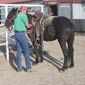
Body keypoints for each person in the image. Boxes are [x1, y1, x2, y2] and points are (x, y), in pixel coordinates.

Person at [14, 6, 33, 72]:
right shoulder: (24, 15)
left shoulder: (17, 15)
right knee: (26, 50)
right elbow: (27, 26)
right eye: (26, 10)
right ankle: (28, 68)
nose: (27, 11)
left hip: (16, 34)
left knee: (19, 51)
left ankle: (19, 68)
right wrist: (32, 24)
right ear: (24, 10)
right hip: (21, 34)